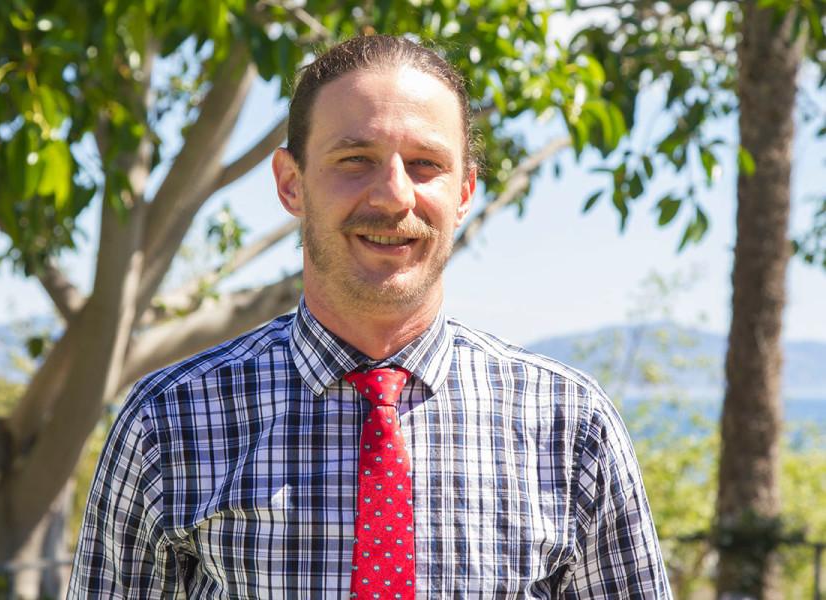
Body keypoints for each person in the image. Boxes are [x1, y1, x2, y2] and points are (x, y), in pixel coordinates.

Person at [68, 34, 673, 598]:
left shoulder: (571, 427)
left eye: (426, 164)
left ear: (464, 192)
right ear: (291, 184)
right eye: (355, 159)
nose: (393, 196)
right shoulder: (168, 423)